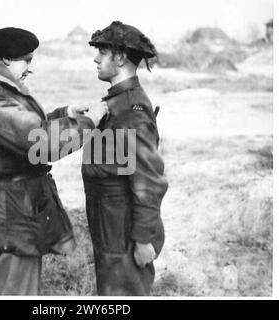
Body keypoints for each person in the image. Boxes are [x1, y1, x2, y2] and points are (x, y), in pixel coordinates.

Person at [0, 27, 108, 295]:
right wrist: (90, 122)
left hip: (15, 209)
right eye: (27, 59)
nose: (31, 67)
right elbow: (41, 144)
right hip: (9, 216)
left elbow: (23, 131)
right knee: (15, 291)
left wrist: (65, 114)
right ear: (6, 58)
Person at [82, 21, 168, 295]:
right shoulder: (116, 102)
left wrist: (143, 239)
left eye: (102, 53)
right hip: (111, 226)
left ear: (119, 58)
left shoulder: (132, 109)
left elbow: (149, 180)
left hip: (123, 231)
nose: (96, 58)